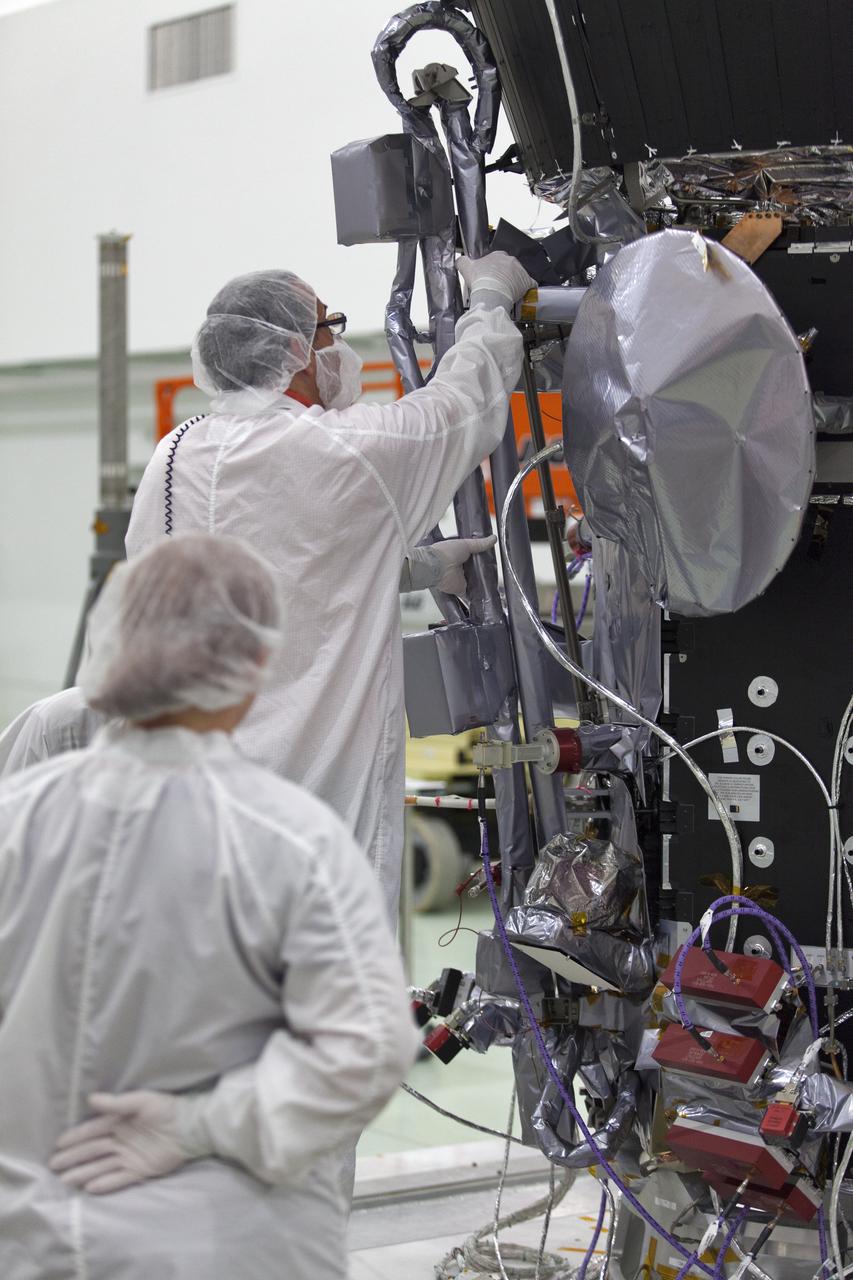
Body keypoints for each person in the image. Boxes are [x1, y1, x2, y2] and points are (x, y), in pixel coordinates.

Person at [0, 534, 418, 1280]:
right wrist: (192, 1126)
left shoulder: (15, 818)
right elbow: (366, 1051)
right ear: (256, 665)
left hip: (34, 1241)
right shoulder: (292, 840)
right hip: (225, 1247)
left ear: (112, 645)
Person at [125, 251, 535, 921]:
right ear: (294, 348)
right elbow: (461, 408)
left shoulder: (175, 457)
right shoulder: (345, 451)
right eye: (328, 327)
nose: (337, 346)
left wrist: (415, 569)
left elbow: (274, 571)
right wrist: (489, 301)